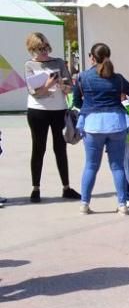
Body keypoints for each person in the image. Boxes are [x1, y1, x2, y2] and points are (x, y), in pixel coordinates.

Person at [72, 43, 129, 215]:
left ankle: (84, 204)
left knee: (91, 166)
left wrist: (88, 105)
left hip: (92, 125)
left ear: (91, 58)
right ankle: (123, 205)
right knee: (117, 167)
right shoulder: (118, 78)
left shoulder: (82, 77)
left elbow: (77, 102)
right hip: (116, 124)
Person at [24, 32, 79, 203]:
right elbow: (34, 93)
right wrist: (47, 86)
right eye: (41, 48)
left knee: (60, 148)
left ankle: (66, 187)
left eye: (46, 47)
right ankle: (36, 188)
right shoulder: (29, 65)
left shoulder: (58, 62)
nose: (45, 51)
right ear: (32, 49)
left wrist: (63, 86)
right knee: (38, 148)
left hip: (58, 110)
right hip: (37, 111)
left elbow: (71, 87)